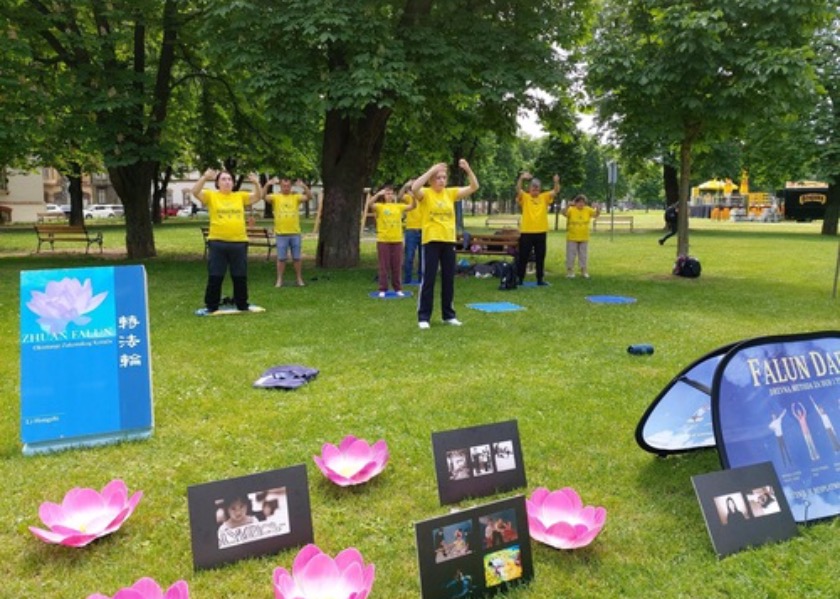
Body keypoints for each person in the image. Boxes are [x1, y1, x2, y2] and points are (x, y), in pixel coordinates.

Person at [411, 160, 479, 329]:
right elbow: (414, 188)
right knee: (429, 279)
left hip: (448, 241)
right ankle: (423, 317)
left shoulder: (451, 193)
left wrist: (468, 170)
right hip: (431, 241)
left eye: (444, 177)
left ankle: (448, 315)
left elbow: (474, 187)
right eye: (438, 178)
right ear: (431, 181)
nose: (441, 180)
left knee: (448, 279)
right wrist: (432, 169)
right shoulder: (425, 193)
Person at [192, 169, 262, 312]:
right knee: (216, 275)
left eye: (229, 179)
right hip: (218, 242)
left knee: (240, 275)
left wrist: (256, 183)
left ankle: (242, 304)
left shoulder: (239, 196)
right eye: (223, 179)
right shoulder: (211, 196)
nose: (227, 182)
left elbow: (257, 197)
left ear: (233, 183)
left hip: (239, 242)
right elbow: (194, 192)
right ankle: (211, 305)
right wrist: (205, 177)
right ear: (217, 183)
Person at [364, 182, 416, 297]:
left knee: (397, 265)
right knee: (384, 265)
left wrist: (413, 196)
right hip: (383, 240)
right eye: (387, 193)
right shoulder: (380, 206)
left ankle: (398, 288)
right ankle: (383, 288)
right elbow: (369, 204)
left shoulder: (398, 206)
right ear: (384, 195)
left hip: (397, 240)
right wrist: (378, 194)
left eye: (391, 194)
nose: (389, 195)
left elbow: (412, 206)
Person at [263, 177, 312, 287]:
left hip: (295, 233)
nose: (286, 188)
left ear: (291, 186)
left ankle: (299, 279)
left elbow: (309, 197)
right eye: (284, 186)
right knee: (281, 258)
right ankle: (279, 280)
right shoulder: (276, 197)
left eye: (288, 186)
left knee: (297, 258)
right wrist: (267, 184)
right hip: (281, 234)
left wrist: (304, 186)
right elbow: (263, 196)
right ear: (280, 186)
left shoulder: (295, 197)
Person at [515, 171, 560, 285]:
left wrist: (556, 182)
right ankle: (520, 278)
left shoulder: (544, 197)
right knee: (523, 256)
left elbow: (555, 191)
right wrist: (521, 178)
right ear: (529, 188)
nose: (535, 189)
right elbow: (518, 189)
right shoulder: (525, 197)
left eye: (537, 188)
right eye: (533, 187)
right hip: (527, 232)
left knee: (540, 256)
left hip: (541, 232)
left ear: (540, 189)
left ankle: (540, 279)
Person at [561, 194, 600, 278]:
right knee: (571, 254)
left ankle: (584, 271)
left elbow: (596, 215)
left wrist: (597, 208)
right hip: (572, 237)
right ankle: (570, 271)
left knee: (583, 255)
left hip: (584, 237)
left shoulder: (588, 210)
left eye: (583, 202)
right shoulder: (571, 210)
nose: (581, 204)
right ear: (575, 203)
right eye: (579, 202)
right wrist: (568, 205)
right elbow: (563, 213)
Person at [402, 181, 422, 285]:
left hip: (423, 230)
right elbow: (400, 196)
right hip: (411, 230)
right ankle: (407, 279)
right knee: (409, 256)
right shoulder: (408, 197)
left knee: (422, 257)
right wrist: (405, 185)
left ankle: (421, 279)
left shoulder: (424, 197)